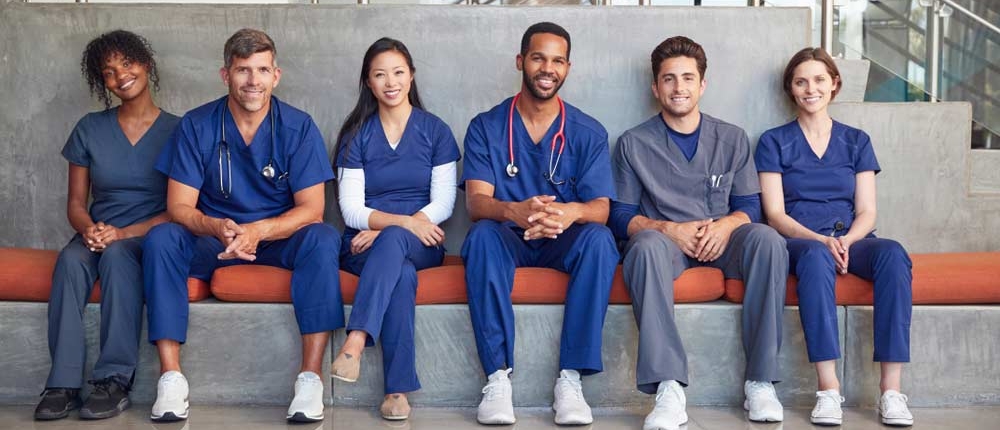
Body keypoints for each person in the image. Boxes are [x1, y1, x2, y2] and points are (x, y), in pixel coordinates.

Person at [142, 28, 343, 423]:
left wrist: (259, 231)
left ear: (276, 75)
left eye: (262, 70)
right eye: (243, 70)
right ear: (225, 75)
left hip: (276, 240)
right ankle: (170, 379)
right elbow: (178, 206)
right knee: (163, 236)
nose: (253, 80)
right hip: (214, 238)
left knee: (321, 238)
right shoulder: (197, 125)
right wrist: (215, 225)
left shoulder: (298, 127)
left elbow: (312, 209)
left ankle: (310, 380)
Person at [610, 36, 788, 430]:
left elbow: (751, 207)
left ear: (702, 85)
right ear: (655, 87)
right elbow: (620, 215)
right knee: (642, 247)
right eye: (669, 79)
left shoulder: (732, 137)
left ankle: (760, 381)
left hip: (724, 241)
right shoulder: (633, 144)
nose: (679, 88)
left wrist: (726, 225)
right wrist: (668, 229)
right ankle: (668, 387)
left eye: (688, 78)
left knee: (768, 240)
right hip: (667, 246)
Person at [460, 22, 619, 426]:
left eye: (557, 60)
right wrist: (513, 210)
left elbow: (601, 207)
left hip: (562, 240)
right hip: (507, 237)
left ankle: (570, 381)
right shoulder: (486, 126)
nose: (547, 68)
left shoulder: (587, 131)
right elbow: (477, 202)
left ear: (567, 67)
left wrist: (570, 213)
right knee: (480, 236)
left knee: (600, 240)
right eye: (538, 58)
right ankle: (497, 379)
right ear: (521, 61)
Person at [755, 47, 913, 427]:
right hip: (802, 240)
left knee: (893, 254)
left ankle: (891, 392)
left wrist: (847, 241)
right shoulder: (773, 141)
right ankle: (828, 389)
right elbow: (775, 215)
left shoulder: (857, 141)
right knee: (814, 256)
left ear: (834, 85)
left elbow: (868, 211)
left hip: (852, 240)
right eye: (801, 81)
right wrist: (821, 241)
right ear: (791, 89)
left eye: (819, 80)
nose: (811, 88)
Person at [34, 30, 180, 422]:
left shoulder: (179, 131)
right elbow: (76, 203)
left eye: (127, 64)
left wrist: (123, 234)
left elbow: (180, 209)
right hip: (97, 231)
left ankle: (114, 380)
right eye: (109, 72)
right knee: (69, 261)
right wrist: (88, 229)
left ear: (145, 64)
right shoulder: (89, 128)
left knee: (118, 257)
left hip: (146, 235)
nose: (121, 76)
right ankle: (61, 384)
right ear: (103, 82)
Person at [329, 37, 460, 421]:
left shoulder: (436, 131)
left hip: (423, 241)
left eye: (399, 72)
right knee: (400, 275)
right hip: (364, 244)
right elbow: (350, 210)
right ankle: (397, 392)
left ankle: (355, 340)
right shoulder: (356, 134)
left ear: (412, 76)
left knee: (399, 246)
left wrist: (394, 228)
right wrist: (398, 224)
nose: (391, 82)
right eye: (380, 74)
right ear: (368, 82)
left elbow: (444, 204)